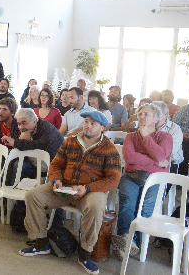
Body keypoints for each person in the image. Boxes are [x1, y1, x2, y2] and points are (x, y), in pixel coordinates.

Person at [20, 111, 121, 275]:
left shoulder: (109, 149)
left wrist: (87, 188)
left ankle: (85, 253)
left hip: (89, 192)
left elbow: (113, 180)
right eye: (86, 121)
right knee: (33, 196)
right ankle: (41, 242)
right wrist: (56, 181)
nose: (88, 125)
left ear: (102, 128)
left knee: (95, 206)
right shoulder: (71, 142)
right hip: (64, 188)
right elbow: (56, 165)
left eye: (93, 123)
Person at [112, 103, 173, 260]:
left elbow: (160, 155)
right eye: (140, 114)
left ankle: (136, 243)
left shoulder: (166, 137)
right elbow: (130, 159)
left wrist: (146, 137)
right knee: (127, 206)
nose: (142, 117)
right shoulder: (130, 137)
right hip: (132, 176)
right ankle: (125, 240)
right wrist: (156, 162)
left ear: (157, 119)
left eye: (147, 114)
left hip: (154, 179)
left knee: (145, 211)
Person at [2, 109, 64, 186]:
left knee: (18, 164)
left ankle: (14, 193)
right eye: (19, 124)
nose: (21, 127)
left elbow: (40, 145)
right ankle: (8, 192)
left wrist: (17, 142)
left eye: (24, 123)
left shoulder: (47, 128)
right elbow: (14, 147)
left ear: (34, 121)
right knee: (13, 162)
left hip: (51, 165)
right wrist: (20, 140)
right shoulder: (22, 130)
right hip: (34, 162)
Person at [153, 101, 184, 173]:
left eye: (158, 113)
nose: (155, 115)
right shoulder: (147, 126)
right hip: (150, 160)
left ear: (165, 114)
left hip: (170, 162)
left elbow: (171, 152)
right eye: (153, 113)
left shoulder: (175, 129)